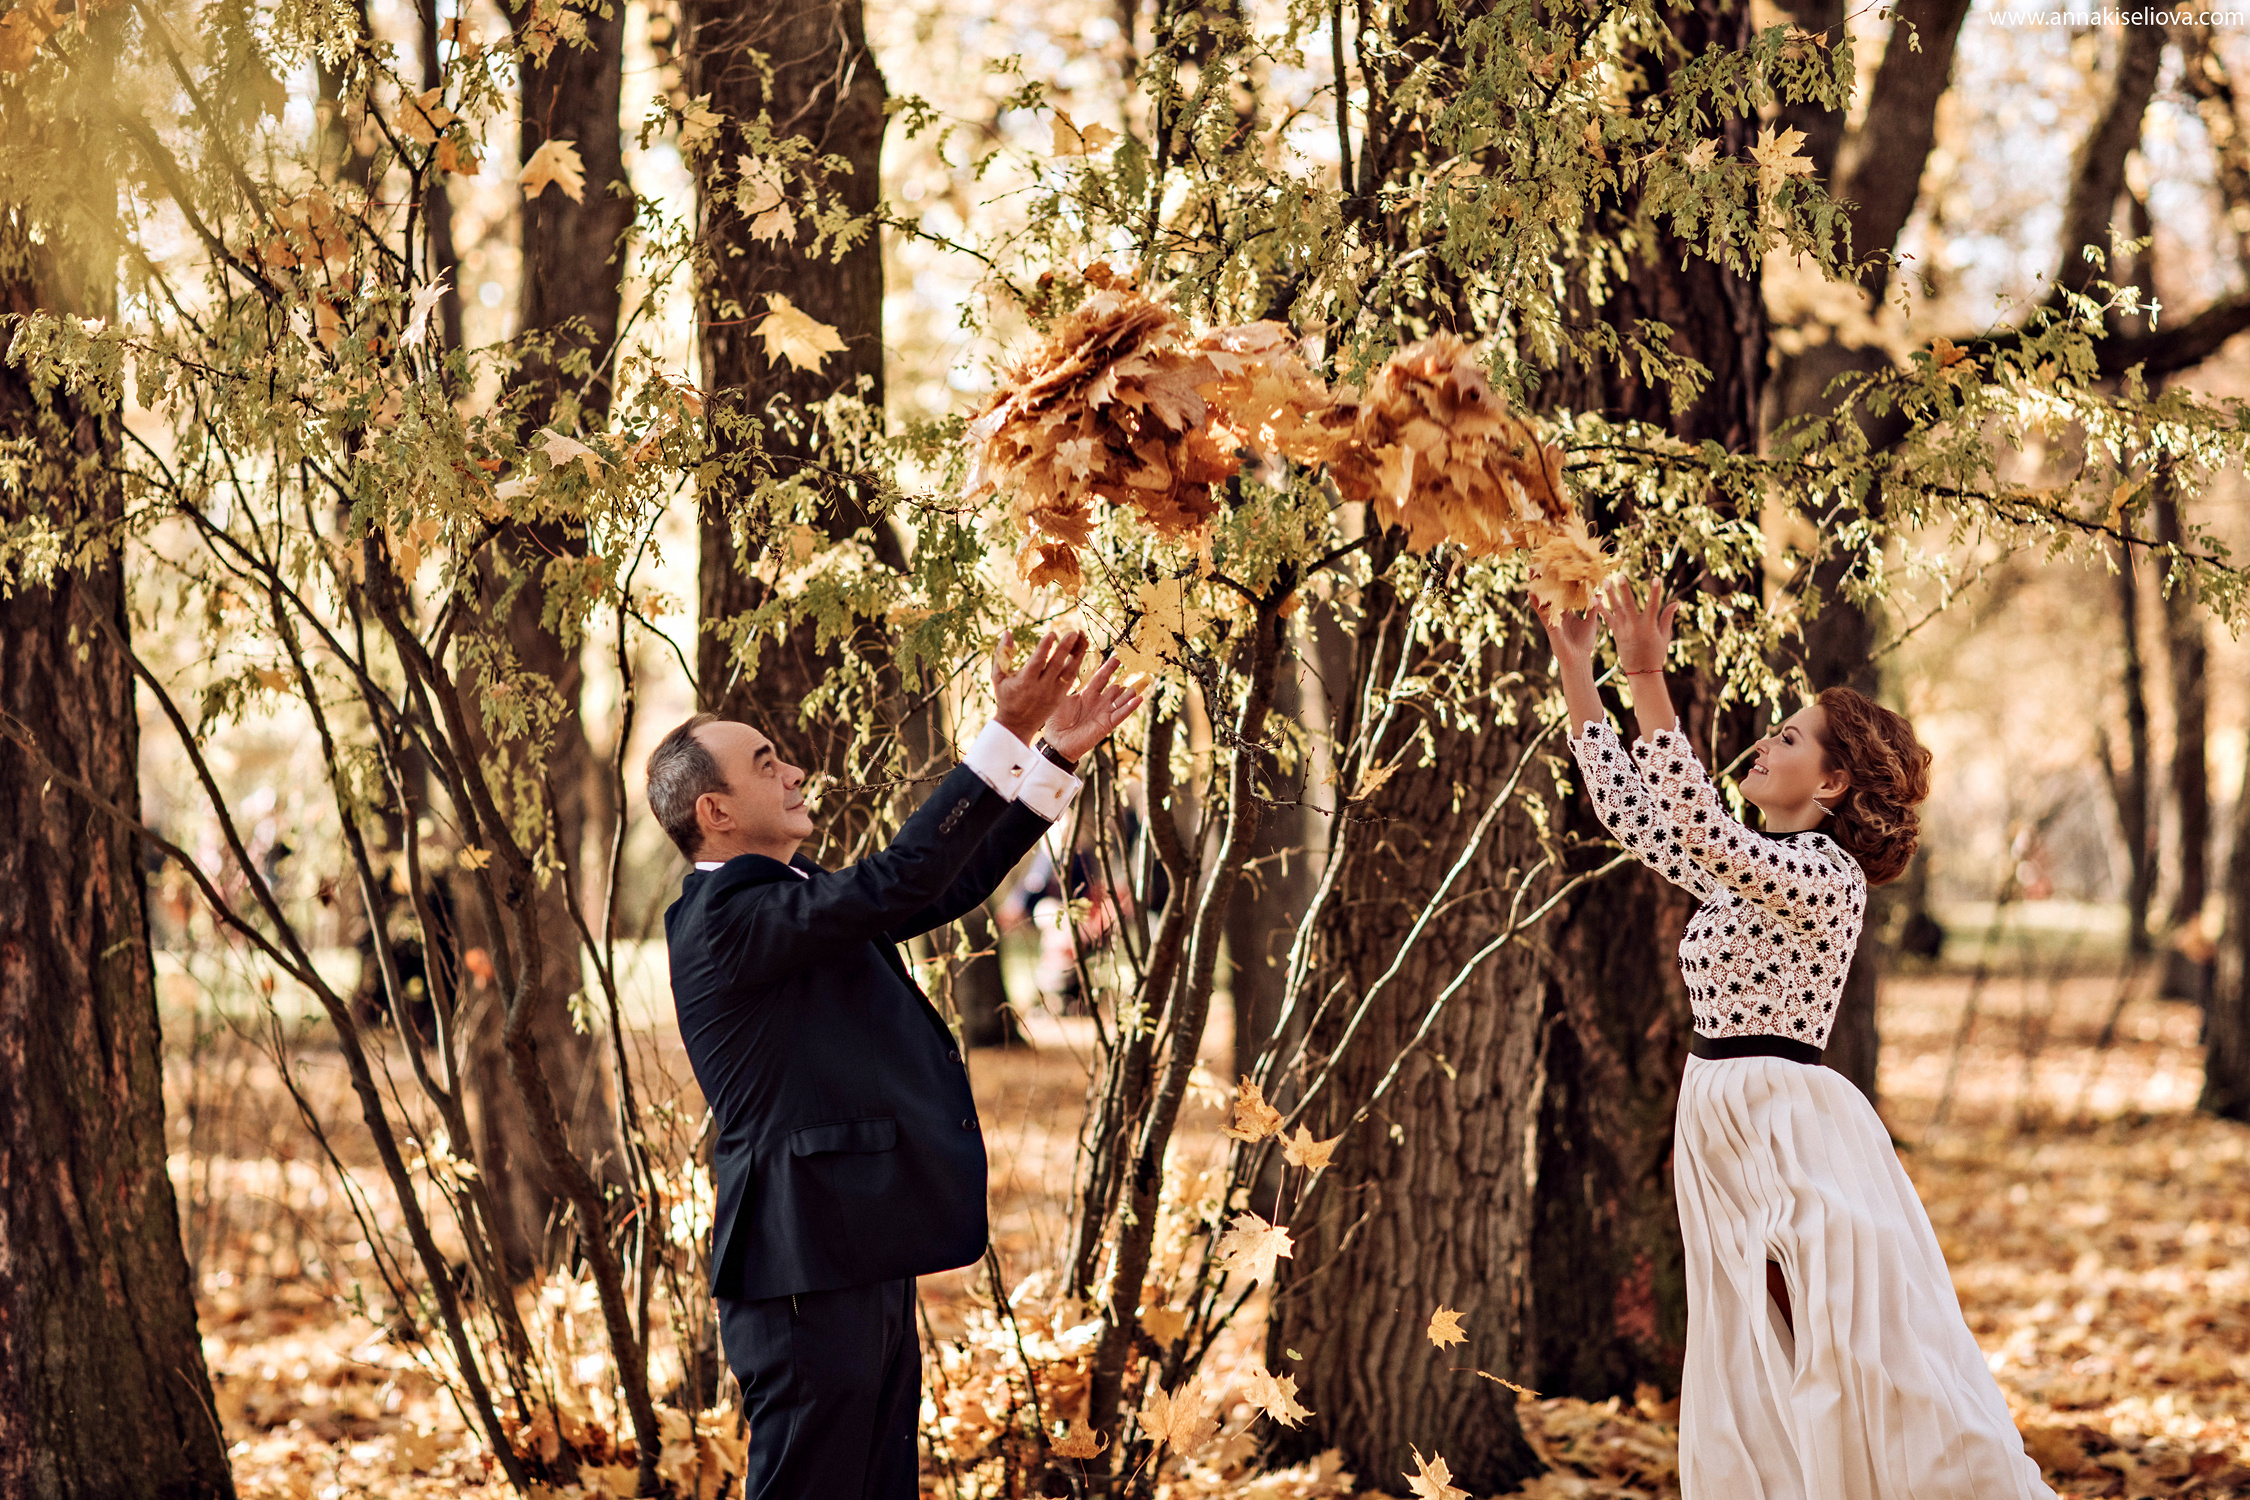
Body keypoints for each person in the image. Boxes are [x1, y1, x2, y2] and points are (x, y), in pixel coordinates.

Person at [1537, 578, 2053, 1500]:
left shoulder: (1825, 876)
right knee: (1759, 1353)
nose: (1765, 744)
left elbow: (1695, 821)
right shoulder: (1753, 873)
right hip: (1722, 1125)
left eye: (1787, 739)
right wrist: (1581, 673)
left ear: (1833, 781)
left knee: (1833, 1348)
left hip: (1785, 1128)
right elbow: (1639, 818)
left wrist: (1645, 677)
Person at [647, 629, 1141, 1498]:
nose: (794, 773)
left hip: (849, 1250)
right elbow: (902, 882)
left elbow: (937, 889)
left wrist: (1054, 754)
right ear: (714, 813)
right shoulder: (721, 918)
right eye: (766, 765)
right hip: (797, 1265)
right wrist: (1007, 731)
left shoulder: (783, 901)